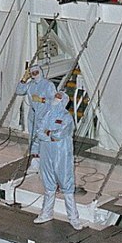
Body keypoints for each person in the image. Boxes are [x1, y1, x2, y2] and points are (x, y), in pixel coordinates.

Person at [34, 91, 83, 230]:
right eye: (55, 96)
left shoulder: (67, 118)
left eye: (59, 97)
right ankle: (46, 213)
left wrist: (47, 133)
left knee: (66, 184)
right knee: (48, 184)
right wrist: (49, 135)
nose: (55, 99)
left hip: (61, 154)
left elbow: (60, 134)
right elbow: (39, 131)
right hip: (46, 152)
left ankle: (73, 218)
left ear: (64, 101)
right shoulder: (47, 114)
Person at [17, 66, 55, 170]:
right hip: (33, 114)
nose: (35, 74)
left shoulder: (48, 85)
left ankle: (46, 161)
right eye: (32, 73)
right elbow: (19, 91)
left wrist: (42, 100)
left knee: (44, 137)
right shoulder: (30, 85)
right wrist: (24, 79)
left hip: (44, 115)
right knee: (33, 137)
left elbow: (54, 101)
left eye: (36, 72)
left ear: (41, 72)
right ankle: (35, 160)